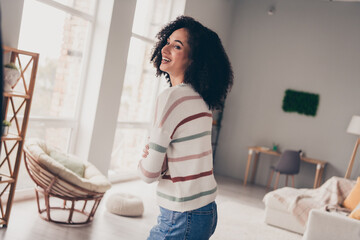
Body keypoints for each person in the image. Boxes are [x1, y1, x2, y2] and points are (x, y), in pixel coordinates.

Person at [137, 15, 233, 240]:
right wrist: (159, 157)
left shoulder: (171, 98)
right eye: (167, 42)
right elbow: (181, 156)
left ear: (193, 60)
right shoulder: (201, 99)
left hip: (181, 216)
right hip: (206, 211)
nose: (165, 49)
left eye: (177, 46)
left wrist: (144, 160)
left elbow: (149, 173)